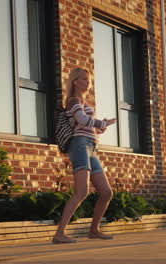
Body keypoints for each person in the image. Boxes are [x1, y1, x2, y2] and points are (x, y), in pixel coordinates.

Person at [53, 67, 116, 244]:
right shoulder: (73, 100)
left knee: (106, 192)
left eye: (88, 80)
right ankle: (59, 234)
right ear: (75, 82)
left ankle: (94, 230)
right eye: (84, 79)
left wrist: (100, 127)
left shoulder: (84, 103)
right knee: (81, 192)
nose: (88, 83)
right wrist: (100, 122)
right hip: (79, 145)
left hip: (92, 147)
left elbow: (88, 125)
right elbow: (81, 120)